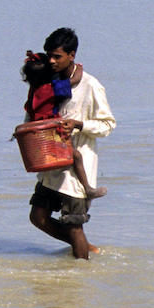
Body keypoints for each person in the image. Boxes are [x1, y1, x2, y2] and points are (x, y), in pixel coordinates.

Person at [28, 28, 115, 260]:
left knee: (74, 226)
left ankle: (80, 276)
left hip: (77, 172)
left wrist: (78, 124)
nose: (52, 61)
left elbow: (107, 125)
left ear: (72, 55)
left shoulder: (90, 85)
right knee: (38, 217)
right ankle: (86, 249)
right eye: (49, 56)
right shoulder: (48, 81)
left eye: (57, 56)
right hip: (51, 165)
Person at [22, 50, 105, 198]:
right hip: (51, 130)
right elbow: (74, 80)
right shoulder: (50, 89)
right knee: (76, 156)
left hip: (39, 132)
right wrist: (79, 67)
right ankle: (87, 187)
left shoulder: (33, 91)